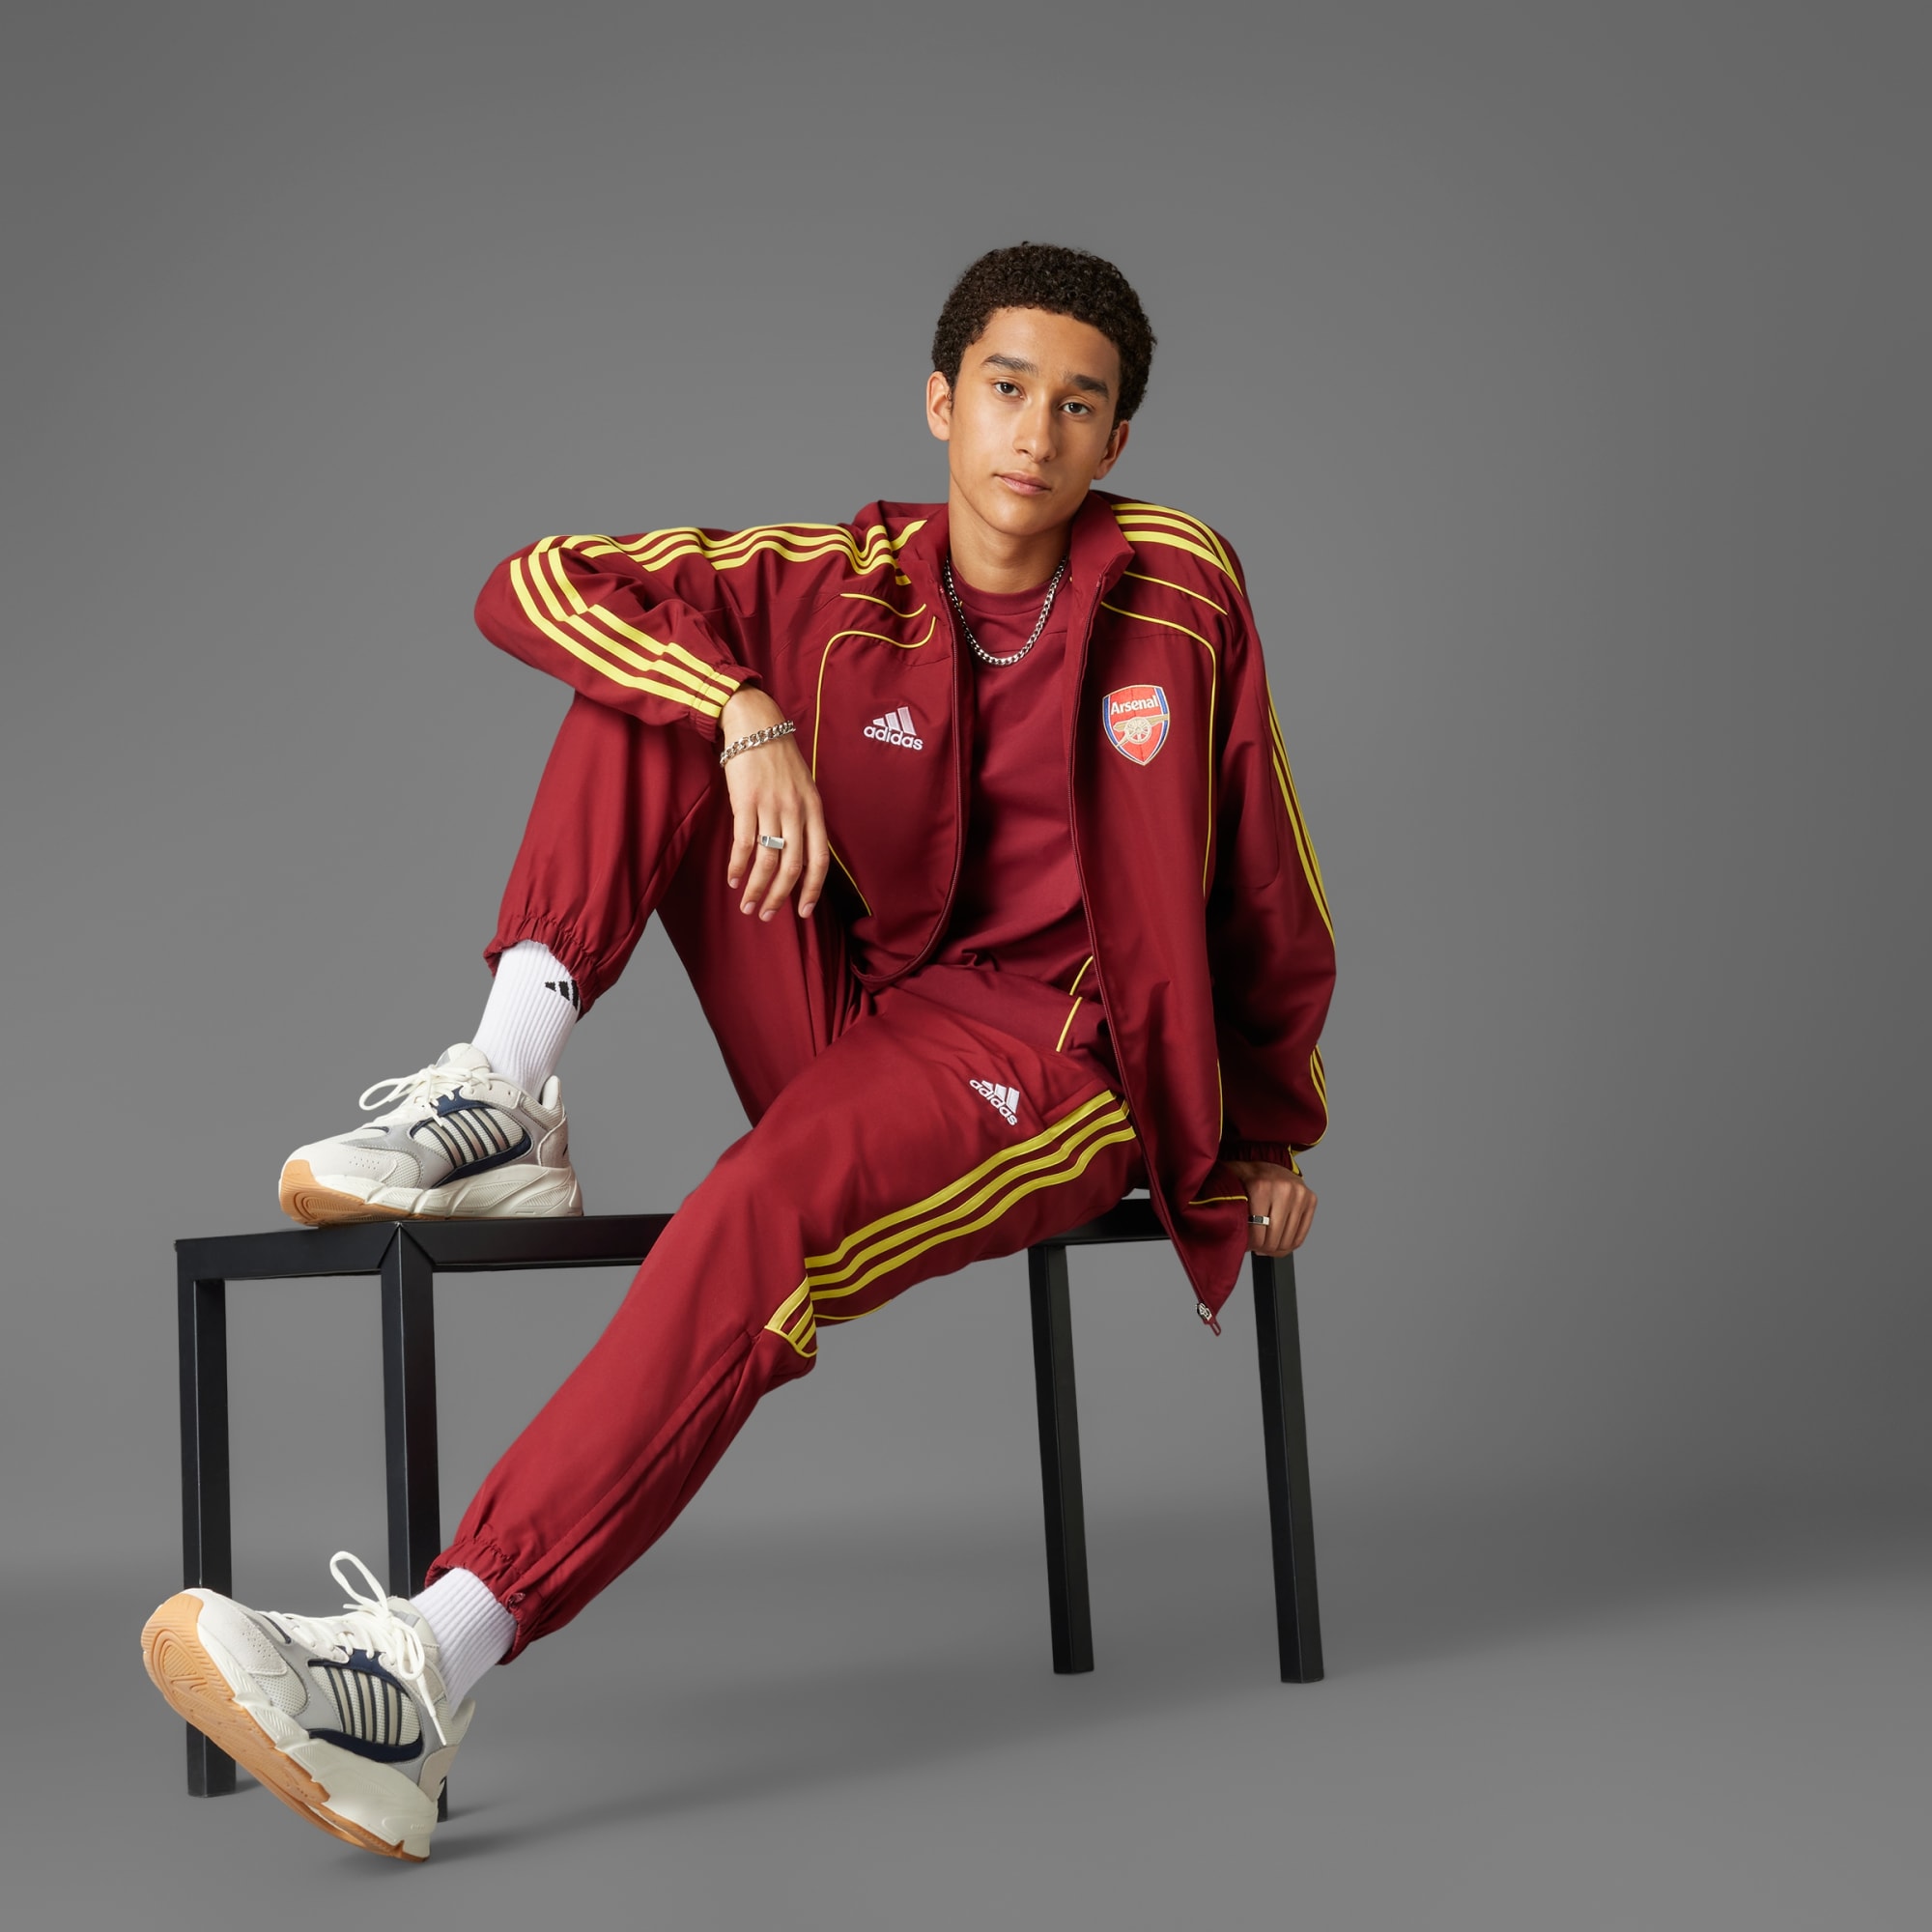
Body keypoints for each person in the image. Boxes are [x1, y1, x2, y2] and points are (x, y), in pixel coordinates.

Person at [138, 243, 1336, 1861]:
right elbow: (533, 580)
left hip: (1052, 1063)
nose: (1036, 432)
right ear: (940, 401)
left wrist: (1263, 1136)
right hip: (861, 1011)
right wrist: (741, 712)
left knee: (756, 1208)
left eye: (1078, 405)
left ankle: (425, 1665)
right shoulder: (842, 577)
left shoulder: (1178, 587)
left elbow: (1265, 878)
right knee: (652, 682)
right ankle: (505, 1084)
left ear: (1116, 440)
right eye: (1006, 388)